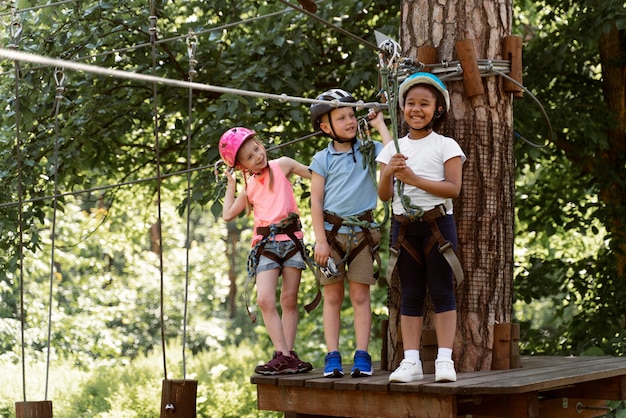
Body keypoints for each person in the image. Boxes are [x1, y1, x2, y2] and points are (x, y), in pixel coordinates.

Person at [376, 72, 466, 383]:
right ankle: (411, 360)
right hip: (404, 228)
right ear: (402, 109)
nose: (416, 109)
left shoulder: (446, 145)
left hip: (437, 225)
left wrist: (413, 180)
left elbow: (453, 188)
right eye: (411, 103)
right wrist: (389, 172)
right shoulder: (392, 150)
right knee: (411, 294)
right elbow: (384, 195)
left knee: (442, 291)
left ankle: (444, 359)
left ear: (437, 109)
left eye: (424, 104)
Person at [309, 89, 392, 378]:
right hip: (332, 236)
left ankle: (362, 355)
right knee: (332, 298)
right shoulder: (322, 158)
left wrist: (380, 126)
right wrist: (320, 239)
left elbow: (393, 157)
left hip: (362, 236)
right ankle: (332, 356)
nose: (350, 121)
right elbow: (316, 201)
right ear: (325, 127)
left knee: (360, 296)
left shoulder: (369, 150)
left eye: (352, 115)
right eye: (341, 117)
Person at [219, 127, 313, 375]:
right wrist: (231, 184)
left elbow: (317, 176)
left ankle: (288, 355)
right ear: (242, 166)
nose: (258, 156)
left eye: (257, 149)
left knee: (289, 299)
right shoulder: (248, 186)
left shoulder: (283, 165)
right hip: (266, 245)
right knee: (264, 300)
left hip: (291, 239)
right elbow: (228, 214)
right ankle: (283, 354)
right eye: (250, 157)